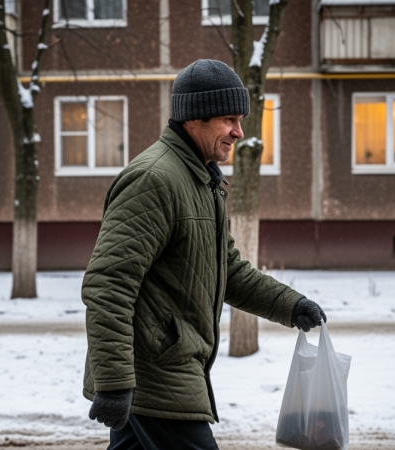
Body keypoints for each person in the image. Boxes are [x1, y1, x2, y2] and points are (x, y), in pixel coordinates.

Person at [81, 59, 328, 449]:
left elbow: (226, 270)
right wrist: (113, 382)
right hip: (157, 376)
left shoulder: (200, 180)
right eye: (228, 118)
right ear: (193, 118)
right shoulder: (155, 179)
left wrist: (289, 304)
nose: (238, 131)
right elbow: (108, 284)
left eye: (240, 119)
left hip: (166, 370)